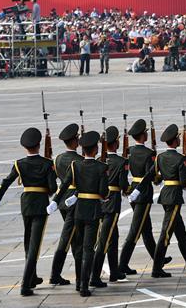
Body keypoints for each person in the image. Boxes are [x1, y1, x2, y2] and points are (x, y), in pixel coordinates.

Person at [0, 127, 58, 297]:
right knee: (35, 245)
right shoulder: (47, 164)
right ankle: (25, 285)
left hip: (26, 204)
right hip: (40, 204)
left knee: (28, 241)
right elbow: (53, 188)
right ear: (39, 144)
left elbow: (6, 182)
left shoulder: (19, 163)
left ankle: (32, 277)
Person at [51, 130, 107, 297]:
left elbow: (62, 181)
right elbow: (103, 192)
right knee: (86, 247)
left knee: (73, 242)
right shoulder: (83, 163)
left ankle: (61, 275)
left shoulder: (60, 159)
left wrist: (55, 201)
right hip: (82, 205)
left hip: (72, 205)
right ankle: (82, 283)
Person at [118, 119, 172, 276]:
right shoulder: (149, 154)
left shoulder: (129, 151)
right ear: (143, 135)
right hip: (143, 193)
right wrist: (158, 177)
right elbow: (151, 176)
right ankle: (122, 263)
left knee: (146, 229)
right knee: (135, 230)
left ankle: (158, 258)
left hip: (133, 189)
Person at [151, 124, 186, 278]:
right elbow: (184, 182)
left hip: (166, 195)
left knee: (180, 233)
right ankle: (157, 268)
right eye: (178, 138)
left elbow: (156, 178)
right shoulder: (181, 159)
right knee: (165, 234)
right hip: (174, 197)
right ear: (175, 140)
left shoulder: (160, 157)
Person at [90, 126, 129, 286]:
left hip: (100, 203)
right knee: (104, 241)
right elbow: (123, 185)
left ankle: (114, 272)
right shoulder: (121, 162)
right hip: (112, 203)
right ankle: (94, 276)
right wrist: (132, 190)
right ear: (116, 143)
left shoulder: (99, 161)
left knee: (112, 237)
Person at [49, 123, 83, 288]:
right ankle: (57, 274)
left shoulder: (58, 159)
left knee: (73, 238)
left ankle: (71, 274)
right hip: (75, 202)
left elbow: (55, 178)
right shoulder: (79, 161)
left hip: (62, 201)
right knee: (70, 238)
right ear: (76, 140)